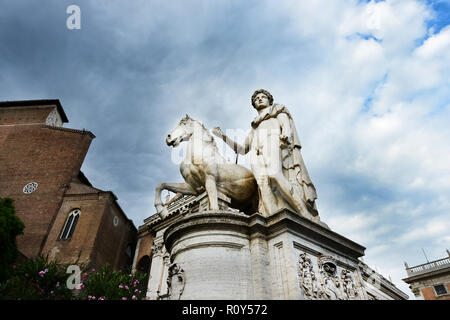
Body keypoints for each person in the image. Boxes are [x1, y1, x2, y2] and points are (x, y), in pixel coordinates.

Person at [213, 89, 319, 220]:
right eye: (256, 98)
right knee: (263, 184)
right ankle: (272, 217)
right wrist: (223, 137)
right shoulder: (255, 126)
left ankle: (304, 214)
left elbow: (286, 126)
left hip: (272, 142)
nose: (259, 99)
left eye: (263, 97)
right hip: (256, 153)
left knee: (275, 175)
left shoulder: (277, 112)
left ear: (269, 100)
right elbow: (242, 149)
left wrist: (285, 132)